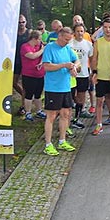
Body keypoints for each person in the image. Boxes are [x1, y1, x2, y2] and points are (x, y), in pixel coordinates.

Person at [41, 27, 80, 156]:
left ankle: (62, 140)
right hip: (53, 87)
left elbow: (76, 60)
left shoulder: (68, 48)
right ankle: (48, 144)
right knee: (51, 115)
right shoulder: (50, 48)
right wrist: (63, 65)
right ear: (60, 36)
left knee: (65, 113)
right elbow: (46, 66)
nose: (67, 42)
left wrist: (74, 66)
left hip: (66, 86)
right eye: (66, 39)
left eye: (69, 40)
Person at [69, 23, 94, 128]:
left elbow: (92, 59)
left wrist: (92, 71)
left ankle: (77, 118)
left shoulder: (88, 44)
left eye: (81, 31)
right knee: (70, 97)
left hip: (83, 74)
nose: (79, 33)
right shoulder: (70, 44)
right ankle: (68, 118)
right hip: (71, 75)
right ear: (74, 32)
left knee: (81, 96)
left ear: (84, 32)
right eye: (77, 31)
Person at [19, 30, 46, 122]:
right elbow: (32, 56)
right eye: (39, 39)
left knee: (38, 94)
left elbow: (43, 56)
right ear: (34, 39)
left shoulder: (39, 46)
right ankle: (28, 112)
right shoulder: (25, 47)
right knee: (29, 94)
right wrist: (42, 50)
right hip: (29, 74)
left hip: (40, 74)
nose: (40, 41)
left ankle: (39, 110)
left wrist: (41, 62)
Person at [14, 14, 31, 114]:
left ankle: (23, 106)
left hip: (26, 61)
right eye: (19, 22)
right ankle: (26, 98)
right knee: (14, 82)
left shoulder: (29, 33)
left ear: (26, 22)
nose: (21, 24)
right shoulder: (13, 33)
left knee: (25, 84)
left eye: (23, 22)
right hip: (15, 60)